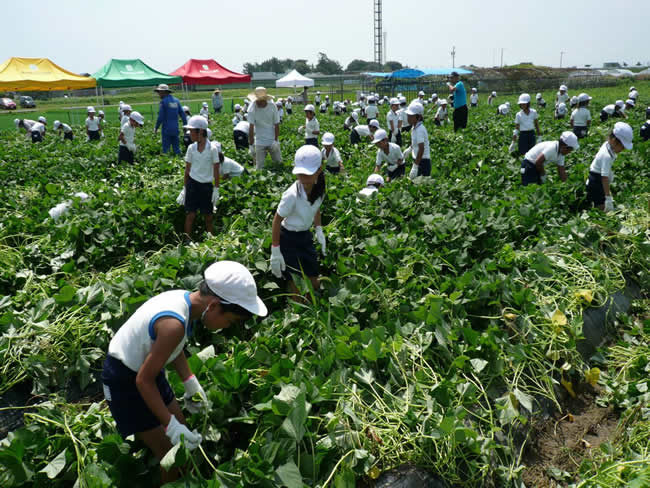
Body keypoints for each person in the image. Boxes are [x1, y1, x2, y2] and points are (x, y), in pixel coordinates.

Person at [102, 260, 267, 485]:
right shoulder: (174, 324)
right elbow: (143, 381)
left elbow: (172, 348)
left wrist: (190, 382)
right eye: (229, 321)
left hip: (148, 370)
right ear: (215, 305)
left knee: (182, 442)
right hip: (124, 382)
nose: (226, 327)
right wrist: (170, 425)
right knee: (172, 456)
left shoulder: (184, 300)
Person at [270, 145, 326, 300]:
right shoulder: (291, 195)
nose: (303, 179)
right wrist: (275, 250)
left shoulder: (320, 188)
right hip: (288, 237)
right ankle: (295, 311)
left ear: (319, 170)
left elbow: (316, 208)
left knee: (314, 282)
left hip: (305, 237)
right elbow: (277, 220)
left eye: (307, 174)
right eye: (300, 174)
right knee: (296, 284)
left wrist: (319, 229)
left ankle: (311, 306)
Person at [179, 116, 220, 238]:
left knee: (208, 216)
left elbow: (216, 170)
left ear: (200, 131)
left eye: (192, 131)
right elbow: (187, 170)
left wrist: (216, 189)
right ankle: (186, 241)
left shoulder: (212, 149)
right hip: (193, 184)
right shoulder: (191, 148)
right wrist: (185, 188)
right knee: (190, 215)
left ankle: (212, 241)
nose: (189, 134)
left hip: (206, 186)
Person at [586, 122, 633, 212]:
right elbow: (604, 178)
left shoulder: (607, 145)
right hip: (596, 182)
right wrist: (608, 197)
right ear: (614, 140)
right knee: (602, 208)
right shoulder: (607, 155)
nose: (622, 150)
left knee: (600, 203)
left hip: (595, 178)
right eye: (622, 147)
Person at [247, 87, 281, 170]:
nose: (257, 103)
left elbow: (276, 124)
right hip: (259, 141)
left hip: (272, 139)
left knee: (278, 163)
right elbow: (251, 127)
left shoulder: (272, 106)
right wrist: (251, 145)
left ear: (264, 100)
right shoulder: (252, 108)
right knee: (259, 167)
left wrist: (276, 140)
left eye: (259, 101)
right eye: (256, 101)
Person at [154, 84, 187, 155]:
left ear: (164, 92)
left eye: (159, 92)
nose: (159, 94)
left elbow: (160, 117)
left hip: (166, 129)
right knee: (177, 149)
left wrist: (156, 127)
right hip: (175, 128)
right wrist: (185, 126)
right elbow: (183, 115)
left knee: (166, 150)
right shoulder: (176, 101)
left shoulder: (163, 102)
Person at [406, 102, 431, 177]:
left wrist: (415, 166)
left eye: (411, 116)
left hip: (423, 162)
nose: (408, 118)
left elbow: (421, 148)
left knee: (421, 185)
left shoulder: (420, 130)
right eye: (408, 115)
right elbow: (415, 142)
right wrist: (410, 148)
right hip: (418, 159)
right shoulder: (414, 127)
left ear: (418, 117)